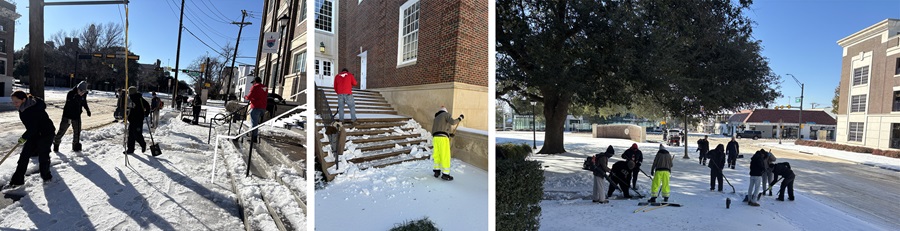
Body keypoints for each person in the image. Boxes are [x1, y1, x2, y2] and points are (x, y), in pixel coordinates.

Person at [8, 91, 56, 187]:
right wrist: (26, 136)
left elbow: (33, 128)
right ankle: (17, 181)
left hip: (46, 133)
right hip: (34, 133)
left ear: (23, 100)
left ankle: (46, 177)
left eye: (16, 101)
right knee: (24, 156)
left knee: (43, 156)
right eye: (13, 102)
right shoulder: (23, 107)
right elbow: (32, 128)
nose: (15, 104)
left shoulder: (32, 109)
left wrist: (23, 138)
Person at [53, 81, 92, 152]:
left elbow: (84, 102)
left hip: (77, 116)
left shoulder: (83, 95)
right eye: (81, 91)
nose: (82, 93)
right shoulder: (71, 93)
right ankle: (56, 143)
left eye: (84, 92)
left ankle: (75, 146)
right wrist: (77, 97)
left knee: (77, 132)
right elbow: (70, 104)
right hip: (67, 116)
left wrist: (87, 110)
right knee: (62, 131)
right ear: (78, 88)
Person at [431, 106, 463, 181]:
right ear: (445, 111)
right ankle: (445, 174)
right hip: (442, 139)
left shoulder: (436, 118)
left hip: (435, 138)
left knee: (437, 155)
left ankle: (436, 171)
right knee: (445, 155)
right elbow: (453, 122)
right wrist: (460, 118)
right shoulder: (446, 114)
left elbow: (440, 129)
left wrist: (449, 134)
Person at [124, 87, 149, 155]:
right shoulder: (130, 99)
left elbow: (147, 106)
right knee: (131, 135)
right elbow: (128, 108)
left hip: (138, 120)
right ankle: (130, 149)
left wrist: (146, 114)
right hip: (131, 120)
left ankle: (143, 144)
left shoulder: (139, 98)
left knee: (137, 135)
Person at [244, 77, 268, 143]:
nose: (252, 84)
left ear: (255, 81)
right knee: (256, 122)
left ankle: (254, 138)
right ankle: (253, 135)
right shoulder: (265, 87)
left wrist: (245, 97)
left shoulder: (255, 87)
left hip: (256, 107)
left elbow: (249, 97)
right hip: (263, 107)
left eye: (253, 82)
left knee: (254, 123)